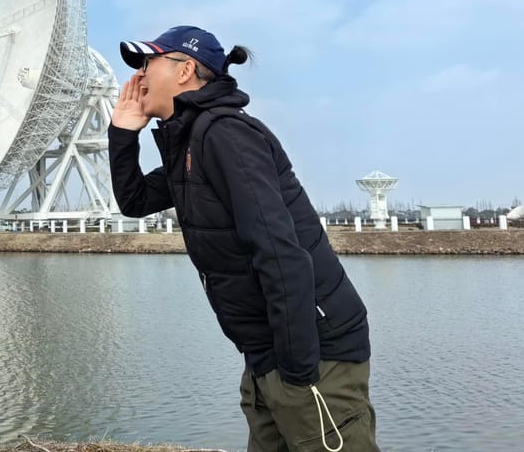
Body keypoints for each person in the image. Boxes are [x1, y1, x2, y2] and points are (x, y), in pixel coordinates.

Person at [108, 25, 379, 452]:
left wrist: (296, 373)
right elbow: (134, 199)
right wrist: (123, 133)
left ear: (185, 71)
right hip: (266, 352)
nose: (138, 76)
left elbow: (280, 253)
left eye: (148, 62)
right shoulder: (189, 144)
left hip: (313, 352)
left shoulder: (225, 135)